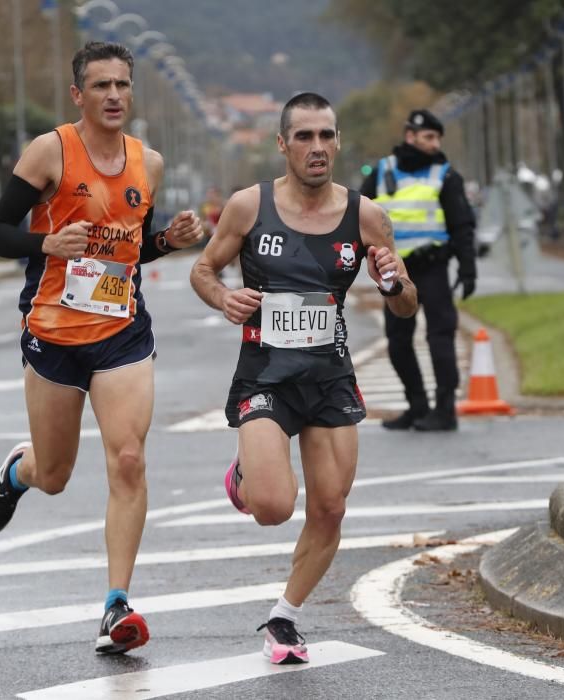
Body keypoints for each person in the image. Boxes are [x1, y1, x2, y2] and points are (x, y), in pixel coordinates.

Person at [0, 41, 203, 655]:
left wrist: (169, 241)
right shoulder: (51, 150)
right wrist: (45, 245)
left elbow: (130, 249)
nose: (112, 96)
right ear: (78, 95)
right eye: (100, 85)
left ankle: (115, 605)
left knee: (128, 459)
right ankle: (18, 472)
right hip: (53, 329)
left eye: (121, 85)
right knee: (55, 475)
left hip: (121, 330)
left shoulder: (146, 163)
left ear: (132, 93)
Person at [190, 92, 417, 664]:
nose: (317, 148)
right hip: (266, 375)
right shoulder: (248, 206)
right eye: (304, 137)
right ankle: (244, 474)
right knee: (272, 506)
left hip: (329, 377)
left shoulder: (366, 216)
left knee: (331, 507)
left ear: (338, 142)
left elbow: (405, 304)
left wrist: (393, 283)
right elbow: (203, 268)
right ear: (283, 144)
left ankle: (284, 619)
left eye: (326, 136)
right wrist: (224, 297)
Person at [360, 109, 478, 431]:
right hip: (394, 271)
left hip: (433, 267)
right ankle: (417, 405)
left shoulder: (444, 174)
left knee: (440, 337)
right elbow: (358, 217)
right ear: (410, 136)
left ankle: (444, 410)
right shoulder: (382, 171)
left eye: (437, 137)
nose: (435, 143)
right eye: (428, 137)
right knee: (397, 341)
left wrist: (468, 269)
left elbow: (462, 224)